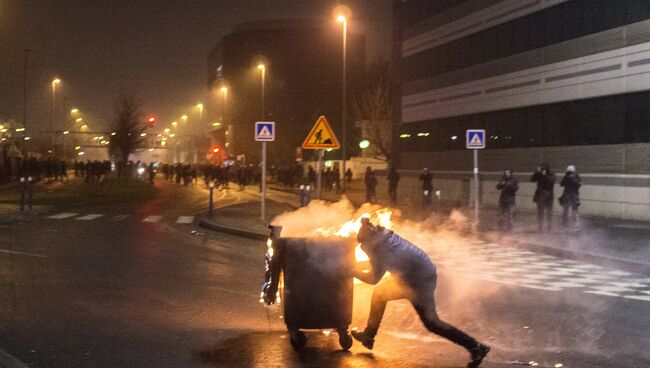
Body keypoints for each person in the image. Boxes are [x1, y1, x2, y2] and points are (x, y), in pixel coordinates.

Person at [351, 218, 490, 368]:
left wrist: (350, 271)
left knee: (432, 323)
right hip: (417, 275)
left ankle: (476, 347)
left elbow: (373, 278)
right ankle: (368, 336)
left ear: (368, 242)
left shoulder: (380, 250)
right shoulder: (386, 239)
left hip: (417, 283)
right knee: (380, 294)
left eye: (362, 244)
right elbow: (378, 265)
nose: (362, 248)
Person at [530, 163, 555, 232]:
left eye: (543, 169)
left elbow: (551, 181)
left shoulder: (551, 174)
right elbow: (532, 179)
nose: (542, 170)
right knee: (540, 212)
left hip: (549, 197)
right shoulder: (539, 175)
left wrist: (545, 175)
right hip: (540, 196)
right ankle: (540, 227)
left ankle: (549, 227)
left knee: (549, 213)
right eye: (541, 169)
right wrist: (536, 172)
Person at [560, 165, 581, 234]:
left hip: (574, 196)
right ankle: (565, 227)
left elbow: (578, 185)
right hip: (567, 196)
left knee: (574, 213)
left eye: (571, 171)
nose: (570, 173)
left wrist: (572, 179)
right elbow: (561, 184)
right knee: (565, 213)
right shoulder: (566, 176)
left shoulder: (577, 176)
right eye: (569, 172)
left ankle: (576, 228)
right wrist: (567, 177)